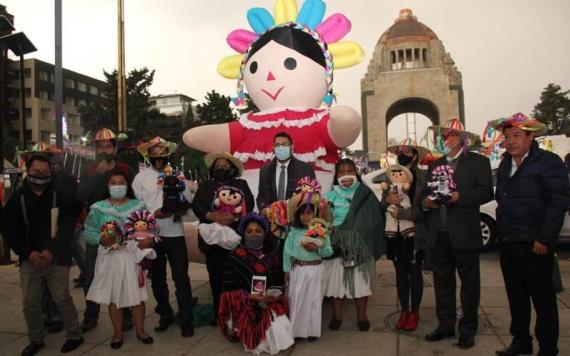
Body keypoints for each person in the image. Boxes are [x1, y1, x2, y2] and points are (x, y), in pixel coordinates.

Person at [489, 113, 569, 356]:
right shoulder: (505, 164)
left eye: (517, 136)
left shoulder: (548, 162)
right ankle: (521, 341)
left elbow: (558, 203)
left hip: (535, 244)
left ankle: (547, 348)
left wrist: (544, 239)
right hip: (508, 241)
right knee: (516, 297)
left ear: (531, 136)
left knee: (543, 299)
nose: (511, 141)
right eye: (507, 137)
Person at [0, 154, 84, 356]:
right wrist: (28, 254)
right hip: (30, 259)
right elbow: (10, 230)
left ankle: (74, 334)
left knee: (61, 298)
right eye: (36, 171)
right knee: (30, 303)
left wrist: (50, 251)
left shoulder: (60, 195)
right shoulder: (18, 198)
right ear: (28, 172)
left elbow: (67, 226)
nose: (40, 175)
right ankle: (36, 338)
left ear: (51, 172)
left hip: (56, 257)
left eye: (45, 171)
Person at [421, 119, 493, 349]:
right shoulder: (434, 165)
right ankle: (445, 325)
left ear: (462, 138)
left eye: (450, 135)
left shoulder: (478, 162)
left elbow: (486, 193)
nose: (445, 140)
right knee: (443, 283)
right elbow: (424, 195)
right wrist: (426, 203)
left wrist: (460, 197)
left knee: (469, 285)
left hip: (464, 233)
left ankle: (468, 329)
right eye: (442, 136)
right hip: (439, 234)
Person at [132, 136, 196, 337]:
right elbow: (137, 208)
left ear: (168, 154)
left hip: (175, 232)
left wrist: (178, 208)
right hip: (152, 234)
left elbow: (187, 201)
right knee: (158, 279)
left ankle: (186, 319)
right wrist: (155, 214)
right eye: (154, 154)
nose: (159, 157)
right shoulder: (140, 178)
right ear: (148, 155)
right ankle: (165, 314)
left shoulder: (178, 175)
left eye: (162, 153)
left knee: (181, 277)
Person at [83, 169, 152, 349]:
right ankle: (117, 333)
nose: (117, 186)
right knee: (114, 296)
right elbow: (88, 231)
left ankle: (141, 330)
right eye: (113, 183)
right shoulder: (98, 208)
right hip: (110, 257)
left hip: (132, 256)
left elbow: (151, 228)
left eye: (121, 182)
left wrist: (148, 239)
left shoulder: (138, 206)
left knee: (137, 296)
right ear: (107, 186)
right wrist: (100, 239)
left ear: (127, 185)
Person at [77, 128, 136, 332]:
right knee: (92, 276)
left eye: (108, 146)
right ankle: (90, 316)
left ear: (115, 148)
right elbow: (81, 194)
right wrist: (98, 175)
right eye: (100, 146)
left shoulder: (125, 169)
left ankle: (126, 313)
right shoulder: (90, 169)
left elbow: (135, 197)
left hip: (122, 228)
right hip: (97, 228)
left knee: (122, 273)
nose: (104, 149)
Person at [323, 158, 386, 332]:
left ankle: (362, 316)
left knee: (361, 284)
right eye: (342, 172)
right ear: (336, 175)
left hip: (361, 246)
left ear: (356, 173)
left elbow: (376, 216)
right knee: (337, 284)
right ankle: (337, 316)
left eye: (350, 171)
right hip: (337, 246)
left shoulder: (365, 193)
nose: (346, 175)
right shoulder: (328, 196)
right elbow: (323, 221)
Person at [192, 152, 254, 324]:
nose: (221, 169)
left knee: (237, 276)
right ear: (213, 169)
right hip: (212, 242)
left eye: (225, 166)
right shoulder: (205, 186)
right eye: (218, 166)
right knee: (215, 277)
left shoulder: (241, 184)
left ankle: (238, 310)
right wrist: (210, 215)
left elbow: (249, 202)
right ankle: (219, 312)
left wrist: (233, 217)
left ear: (232, 169)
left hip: (235, 238)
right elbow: (197, 205)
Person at [218, 213, 294, 354]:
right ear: (244, 233)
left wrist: (275, 295)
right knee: (260, 339)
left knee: (281, 327)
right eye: (249, 231)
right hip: (245, 304)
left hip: (267, 301)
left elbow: (278, 281)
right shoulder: (235, 257)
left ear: (264, 234)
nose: (254, 234)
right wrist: (249, 296)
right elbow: (228, 289)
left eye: (258, 231)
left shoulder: (272, 256)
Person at [378, 140, 429, 331]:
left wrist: (405, 214)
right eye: (400, 151)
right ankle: (404, 311)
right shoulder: (390, 176)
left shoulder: (422, 177)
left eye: (407, 151)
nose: (403, 154)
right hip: (394, 233)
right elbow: (383, 205)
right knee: (400, 273)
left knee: (415, 272)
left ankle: (414, 312)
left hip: (415, 233)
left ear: (415, 155)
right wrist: (387, 201)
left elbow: (426, 207)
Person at [283, 192, 333, 341]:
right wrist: (286, 270)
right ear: (297, 215)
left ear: (315, 214)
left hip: (316, 270)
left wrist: (317, 248)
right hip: (298, 270)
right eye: (302, 214)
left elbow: (328, 252)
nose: (306, 217)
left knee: (314, 300)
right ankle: (297, 331)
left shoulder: (322, 233)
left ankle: (312, 331)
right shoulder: (293, 233)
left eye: (309, 213)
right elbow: (287, 252)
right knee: (297, 299)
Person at [257, 132, 316, 211]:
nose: (281, 147)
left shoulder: (306, 169)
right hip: (271, 219)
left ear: (292, 147)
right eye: (277, 145)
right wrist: (265, 211)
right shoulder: (265, 170)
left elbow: (312, 196)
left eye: (285, 144)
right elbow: (261, 196)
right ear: (273, 148)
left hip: (297, 218)